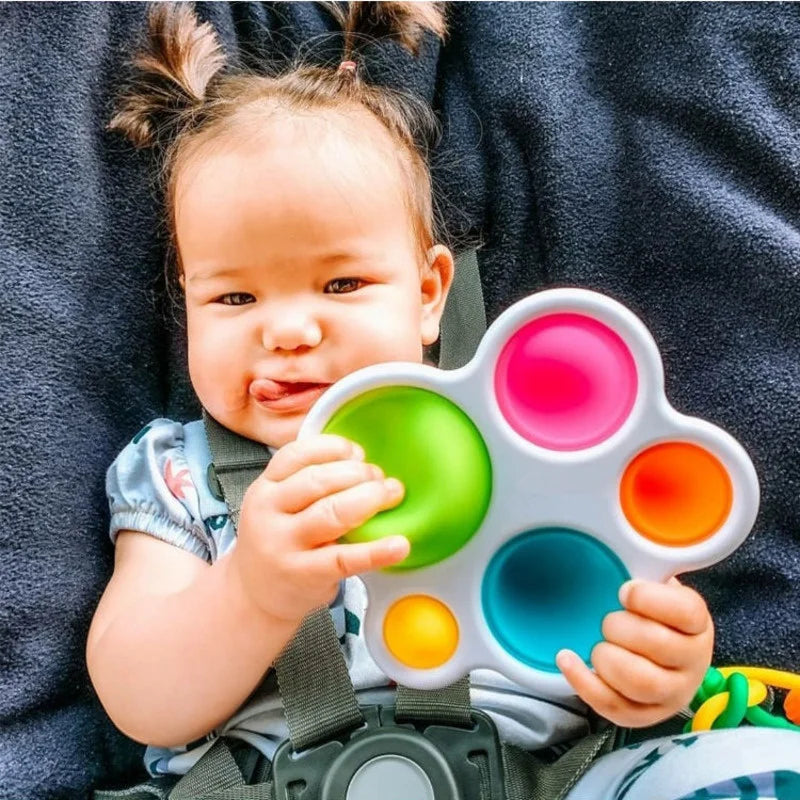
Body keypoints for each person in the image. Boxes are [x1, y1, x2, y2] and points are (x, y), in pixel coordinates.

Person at [86, 4, 799, 799]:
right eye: (234, 298)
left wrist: (659, 672)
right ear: (187, 304)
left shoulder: (528, 443)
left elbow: (630, 615)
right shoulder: (176, 474)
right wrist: (251, 590)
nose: (285, 330)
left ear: (428, 293)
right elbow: (137, 700)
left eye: (342, 284)